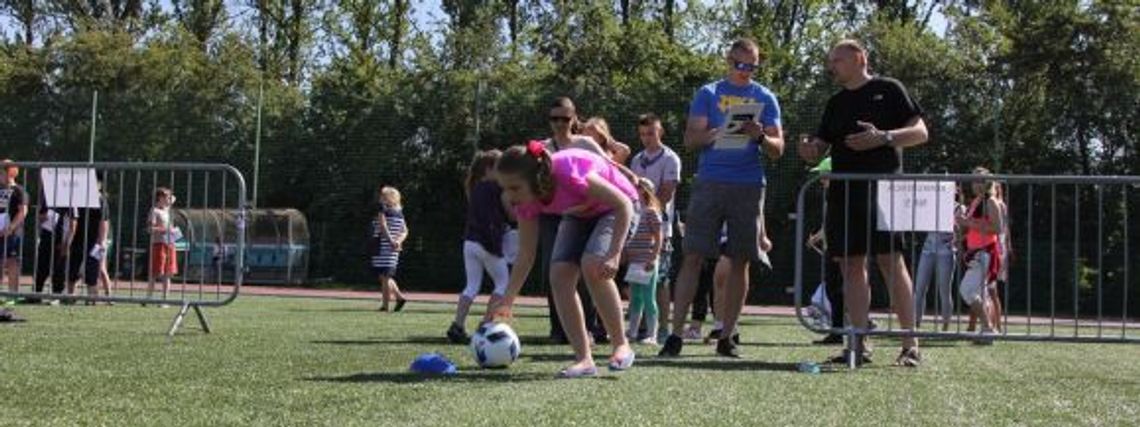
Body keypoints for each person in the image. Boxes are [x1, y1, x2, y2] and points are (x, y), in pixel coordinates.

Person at [799, 39, 929, 367]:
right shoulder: (835, 103)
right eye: (831, 61)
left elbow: (921, 132)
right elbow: (821, 146)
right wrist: (809, 149)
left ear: (860, 58)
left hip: (886, 190)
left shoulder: (890, 89)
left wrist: (883, 137)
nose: (832, 67)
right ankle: (858, 345)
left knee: (891, 262)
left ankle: (910, 345)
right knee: (851, 266)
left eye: (838, 60)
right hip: (845, 193)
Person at [659, 38, 785, 359]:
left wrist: (761, 136)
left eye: (751, 66)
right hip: (710, 182)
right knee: (693, 257)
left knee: (741, 260)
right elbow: (690, 140)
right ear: (728, 61)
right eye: (739, 65)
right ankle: (674, 335)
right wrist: (721, 131)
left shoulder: (765, 97)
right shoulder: (708, 93)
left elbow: (778, 149)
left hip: (748, 184)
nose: (745, 71)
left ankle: (727, 335)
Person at [488, 142, 638, 378]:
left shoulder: (568, 172)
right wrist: (507, 300)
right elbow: (526, 255)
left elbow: (624, 205)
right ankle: (584, 360)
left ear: (536, 179)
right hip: (580, 213)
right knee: (558, 275)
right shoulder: (527, 202)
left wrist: (614, 253)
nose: (509, 196)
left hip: (616, 208)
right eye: (504, 188)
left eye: (515, 188)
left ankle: (621, 345)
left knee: (592, 265)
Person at [540, 97, 608, 344]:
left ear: (574, 118)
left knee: (583, 272)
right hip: (552, 217)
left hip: (584, 215)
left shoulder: (586, 144)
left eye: (565, 118)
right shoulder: (542, 148)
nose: (559, 124)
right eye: (554, 119)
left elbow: (608, 167)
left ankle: (587, 328)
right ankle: (559, 330)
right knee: (554, 269)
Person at [448, 150, 512, 344]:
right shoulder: (496, 187)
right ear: (488, 169)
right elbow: (506, 215)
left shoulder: (475, 187)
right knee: (504, 284)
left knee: (472, 286)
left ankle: (457, 325)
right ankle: (486, 324)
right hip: (487, 243)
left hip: (470, 242)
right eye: (499, 168)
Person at [629, 113, 682, 342]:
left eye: (651, 133)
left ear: (660, 131)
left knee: (660, 280)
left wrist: (648, 212)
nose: (646, 138)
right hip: (636, 230)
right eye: (642, 134)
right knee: (637, 281)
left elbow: (667, 191)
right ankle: (640, 327)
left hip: (660, 229)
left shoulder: (670, 158)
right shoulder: (637, 159)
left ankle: (661, 328)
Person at [959, 167, 1003, 338]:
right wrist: (961, 232)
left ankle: (987, 327)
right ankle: (987, 328)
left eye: (976, 180)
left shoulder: (990, 201)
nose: (973, 183)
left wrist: (968, 223)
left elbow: (997, 228)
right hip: (976, 252)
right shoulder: (977, 200)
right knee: (980, 294)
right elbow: (973, 226)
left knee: (967, 291)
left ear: (985, 183)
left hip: (984, 253)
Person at [623, 178, 663, 345]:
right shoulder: (634, 212)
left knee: (648, 297)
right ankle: (632, 332)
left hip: (646, 260)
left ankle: (652, 334)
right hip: (634, 260)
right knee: (636, 298)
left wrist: (653, 257)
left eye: (637, 188)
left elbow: (658, 236)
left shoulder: (651, 212)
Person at [372, 186, 408, 312]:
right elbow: (405, 231)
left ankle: (385, 306)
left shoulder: (383, 210)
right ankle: (399, 298)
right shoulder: (400, 213)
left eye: (382, 196)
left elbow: (383, 226)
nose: (380, 198)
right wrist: (398, 241)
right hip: (394, 248)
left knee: (384, 277)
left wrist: (391, 240)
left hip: (383, 246)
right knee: (385, 276)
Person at [1, 160, 29, 301]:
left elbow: (23, 211)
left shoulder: (19, 190)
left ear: (10, 172)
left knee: (12, 262)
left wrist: (11, 227)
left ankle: (13, 295)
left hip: (13, 233)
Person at [146, 187, 178, 306]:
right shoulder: (154, 211)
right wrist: (165, 229)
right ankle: (148, 298)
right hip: (159, 244)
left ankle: (164, 300)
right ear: (160, 198)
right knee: (155, 273)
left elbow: (173, 199)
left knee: (167, 273)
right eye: (167, 197)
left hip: (170, 244)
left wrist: (170, 198)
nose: (169, 199)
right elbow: (150, 229)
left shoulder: (168, 209)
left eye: (169, 197)